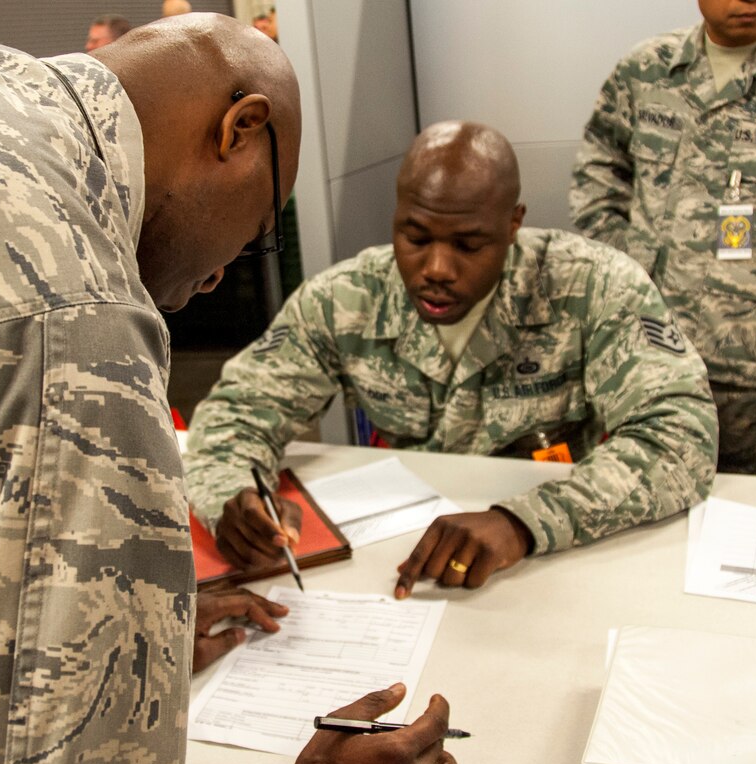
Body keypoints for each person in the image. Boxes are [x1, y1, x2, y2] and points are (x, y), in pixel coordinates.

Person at [0, 14, 456, 764]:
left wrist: (118, 620)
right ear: (241, 129)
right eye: (258, 233)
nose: (217, 277)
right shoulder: (70, 313)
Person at [184, 120, 718, 598]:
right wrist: (237, 499)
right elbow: (236, 416)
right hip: (394, 566)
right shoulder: (344, 299)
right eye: (415, 236)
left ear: (513, 224)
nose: (436, 267)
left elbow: (681, 437)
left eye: (468, 245)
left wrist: (522, 523)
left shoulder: (593, 286)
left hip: (550, 568)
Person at [570, 0, 756, 475]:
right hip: (643, 349)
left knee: (739, 509)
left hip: (749, 365)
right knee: (635, 499)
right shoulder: (646, 71)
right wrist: (626, 275)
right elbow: (598, 175)